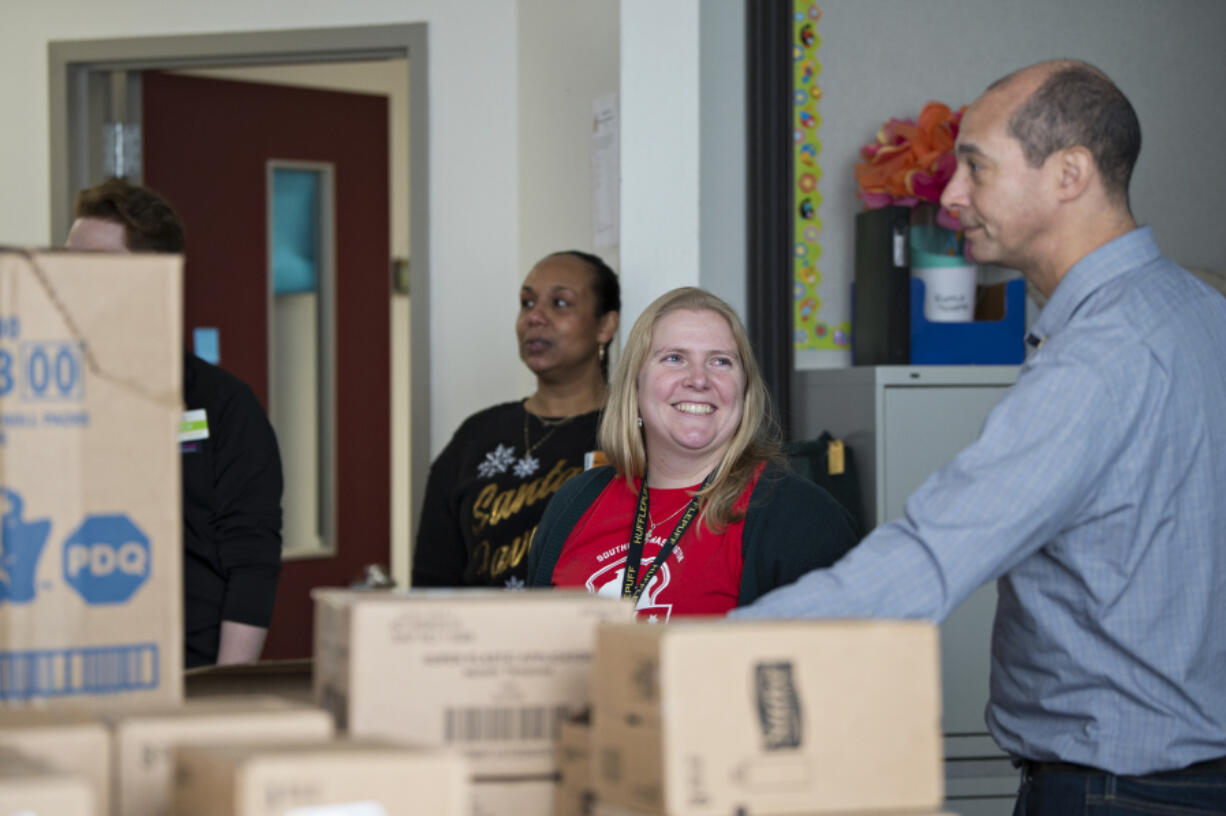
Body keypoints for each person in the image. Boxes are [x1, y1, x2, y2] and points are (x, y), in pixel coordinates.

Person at [732, 60, 1226, 812]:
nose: (951, 195)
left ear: (1069, 175)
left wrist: (688, 662)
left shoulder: (1094, 364)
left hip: (1117, 795)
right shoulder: (1200, 312)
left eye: (975, 167)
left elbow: (929, 560)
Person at [525, 287, 858, 619]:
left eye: (720, 361)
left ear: (744, 390)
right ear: (635, 387)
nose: (699, 379)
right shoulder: (574, 501)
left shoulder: (802, 518)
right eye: (674, 358)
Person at [67, 178, 284, 668]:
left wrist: (225, 695)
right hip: (66, 667)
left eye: (94, 268)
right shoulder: (40, 402)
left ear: (155, 277)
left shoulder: (225, 406)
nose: (70, 281)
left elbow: (251, 562)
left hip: (187, 671)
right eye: (66, 264)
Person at [412, 251, 620, 588]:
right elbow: (433, 580)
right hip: (483, 636)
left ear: (605, 325)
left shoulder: (634, 433)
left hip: (591, 634)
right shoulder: (477, 436)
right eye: (527, 303)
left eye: (560, 303)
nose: (535, 317)